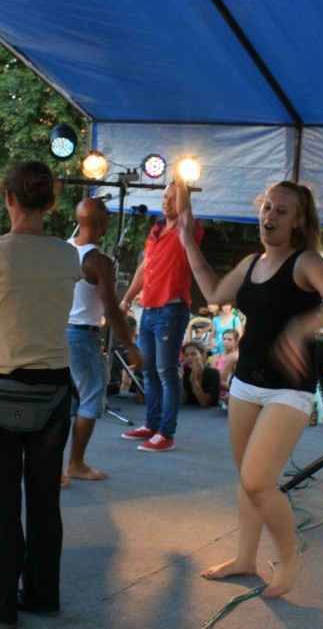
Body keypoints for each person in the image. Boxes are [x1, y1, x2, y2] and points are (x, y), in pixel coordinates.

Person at [178, 179, 323, 597]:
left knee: (258, 481)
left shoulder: (306, 261)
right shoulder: (251, 262)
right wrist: (186, 239)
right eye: (267, 207)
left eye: (281, 211)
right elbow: (214, 291)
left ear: (298, 220)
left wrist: (300, 328)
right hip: (245, 384)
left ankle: (289, 558)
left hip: (288, 389)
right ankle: (245, 558)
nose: (270, 216)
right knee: (247, 479)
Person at [0, 161, 83, 626]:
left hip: (1, 385)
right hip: (53, 390)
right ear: (51, 202)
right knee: (44, 498)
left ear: (8, 197)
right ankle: (43, 594)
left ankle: (2, 605)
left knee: (1, 501)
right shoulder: (68, 256)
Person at [119, 172, 203, 452]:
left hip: (171, 309)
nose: (167, 202)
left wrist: (180, 176)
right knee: (150, 370)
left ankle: (166, 433)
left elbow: (185, 209)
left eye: (173, 198)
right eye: (164, 197)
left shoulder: (187, 228)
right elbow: (144, 268)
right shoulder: (155, 230)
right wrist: (126, 298)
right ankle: (152, 424)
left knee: (166, 371)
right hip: (150, 310)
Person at [63, 197, 142, 485]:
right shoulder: (98, 261)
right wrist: (131, 347)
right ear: (103, 223)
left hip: (58, 332)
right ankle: (75, 464)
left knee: (60, 402)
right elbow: (111, 309)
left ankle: (52, 466)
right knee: (91, 398)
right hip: (83, 337)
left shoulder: (64, 249)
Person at [180, 340, 221, 409]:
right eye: (186, 355)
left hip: (210, 413)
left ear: (203, 356)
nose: (189, 357)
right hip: (190, 412)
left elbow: (205, 403)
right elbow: (183, 401)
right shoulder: (186, 371)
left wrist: (194, 381)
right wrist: (181, 380)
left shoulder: (213, 374)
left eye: (193, 354)